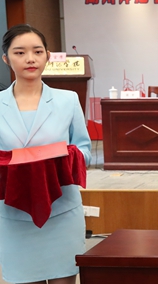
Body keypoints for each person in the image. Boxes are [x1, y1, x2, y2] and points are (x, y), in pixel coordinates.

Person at [0, 24, 91, 284]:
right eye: (20, 53)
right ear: (6, 59)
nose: (30, 59)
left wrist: (61, 160)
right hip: (14, 214)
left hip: (61, 209)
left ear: (47, 56)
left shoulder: (67, 100)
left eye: (37, 51)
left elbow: (85, 151)